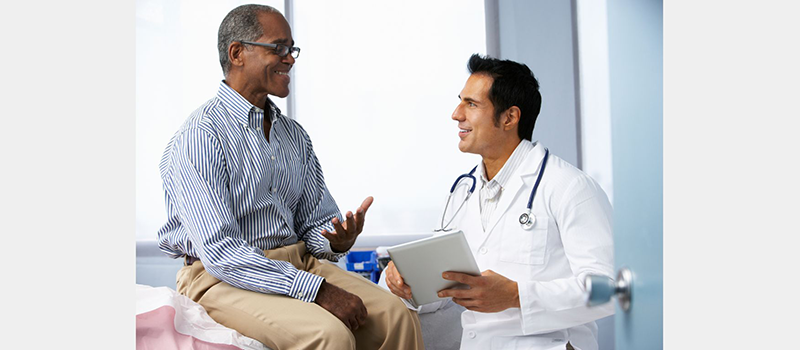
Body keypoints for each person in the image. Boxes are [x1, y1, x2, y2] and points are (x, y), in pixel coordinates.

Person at [156, 4, 424, 350]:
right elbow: (222, 253)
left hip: (299, 263)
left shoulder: (294, 136)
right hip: (221, 277)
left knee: (396, 314)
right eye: (279, 48)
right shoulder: (200, 136)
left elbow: (314, 223)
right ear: (237, 53)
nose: (291, 59)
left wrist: (334, 241)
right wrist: (318, 290)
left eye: (292, 49)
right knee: (329, 335)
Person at [383, 54, 615, 350]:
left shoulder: (569, 187)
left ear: (509, 117)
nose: (456, 114)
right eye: (460, 101)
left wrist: (517, 295)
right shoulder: (462, 193)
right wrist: (406, 282)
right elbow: (446, 286)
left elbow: (608, 290)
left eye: (471, 104)